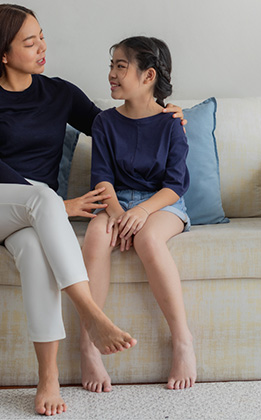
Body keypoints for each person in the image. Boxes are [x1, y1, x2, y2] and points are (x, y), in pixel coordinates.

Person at [0, 4, 186, 416]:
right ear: (2, 53)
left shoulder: (59, 92)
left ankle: (48, 378)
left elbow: (114, 127)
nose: (42, 46)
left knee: (36, 257)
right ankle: (92, 315)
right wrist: (60, 206)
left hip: (31, 217)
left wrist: (163, 115)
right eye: (29, 41)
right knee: (43, 198)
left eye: (41, 35)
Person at [79, 36, 197, 392]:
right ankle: (88, 348)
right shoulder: (104, 122)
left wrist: (142, 212)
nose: (112, 74)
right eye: (111, 66)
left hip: (162, 203)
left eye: (120, 66)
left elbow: (175, 185)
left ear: (147, 76)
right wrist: (116, 213)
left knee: (147, 237)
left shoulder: (171, 123)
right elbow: (101, 178)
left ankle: (182, 342)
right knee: (96, 234)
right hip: (116, 200)